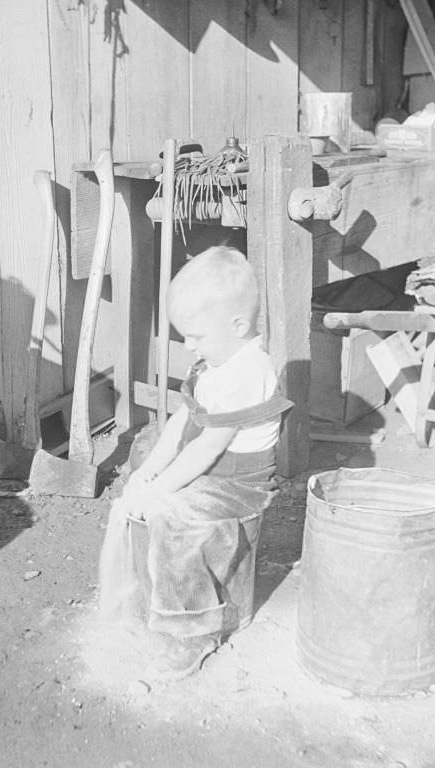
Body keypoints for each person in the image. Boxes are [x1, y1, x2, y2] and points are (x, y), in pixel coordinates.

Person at [98, 245, 292, 681]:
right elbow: (181, 423)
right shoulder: (214, 363)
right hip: (212, 468)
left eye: (197, 336)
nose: (189, 346)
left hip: (238, 485)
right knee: (144, 456)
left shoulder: (249, 370)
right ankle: (155, 592)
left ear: (237, 325)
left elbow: (207, 448)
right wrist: (148, 472)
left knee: (173, 514)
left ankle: (193, 632)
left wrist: (161, 489)